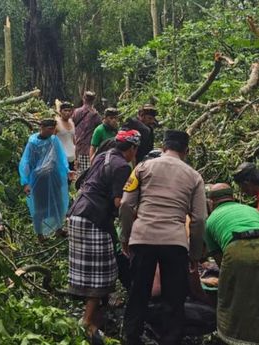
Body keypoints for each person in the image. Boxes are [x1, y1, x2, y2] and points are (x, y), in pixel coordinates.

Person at [120, 130, 207, 345]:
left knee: (138, 291)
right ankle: (170, 339)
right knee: (174, 297)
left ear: (163, 146)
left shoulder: (142, 167)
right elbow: (199, 220)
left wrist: (126, 236)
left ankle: (131, 337)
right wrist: (195, 254)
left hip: (142, 238)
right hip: (174, 242)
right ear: (185, 151)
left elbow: (125, 205)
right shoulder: (194, 176)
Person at [67, 130, 141, 345]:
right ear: (132, 149)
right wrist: (140, 217)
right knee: (100, 273)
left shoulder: (103, 156)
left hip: (77, 214)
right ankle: (87, 323)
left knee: (89, 269)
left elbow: (84, 183)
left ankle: (96, 316)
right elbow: (120, 203)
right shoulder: (122, 166)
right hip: (94, 218)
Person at [204, 183, 259, 345]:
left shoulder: (210, 221)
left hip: (237, 248)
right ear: (233, 197)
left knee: (232, 295)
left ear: (211, 202)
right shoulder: (251, 210)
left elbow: (221, 263)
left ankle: (236, 339)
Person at [19, 119, 71, 243]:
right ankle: (40, 234)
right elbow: (26, 162)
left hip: (54, 177)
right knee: (39, 208)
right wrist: (26, 182)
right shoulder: (33, 142)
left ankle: (59, 229)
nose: (52, 131)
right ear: (41, 127)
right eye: (49, 128)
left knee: (57, 204)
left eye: (53, 129)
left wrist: (67, 170)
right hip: (39, 180)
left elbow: (60, 156)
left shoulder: (54, 140)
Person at [73, 91, 101, 176]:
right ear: (93, 100)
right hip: (90, 149)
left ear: (83, 99)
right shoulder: (95, 114)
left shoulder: (76, 112)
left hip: (77, 147)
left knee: (79, 174)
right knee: (88, 174)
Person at [55, 102, 75, 174]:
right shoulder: (56, 123)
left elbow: (73, 139)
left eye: (69, 111)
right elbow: (52, 140)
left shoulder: (72, 122)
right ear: (60, 111)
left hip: (71, 157)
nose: (67, 113)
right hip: (60, 157)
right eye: (65, 110)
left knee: (69, 180)